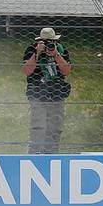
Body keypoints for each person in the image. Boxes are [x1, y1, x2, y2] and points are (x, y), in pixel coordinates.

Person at [21, 26, 73, 154]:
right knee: (38, 126)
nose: (48, 45)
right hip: (37, 93)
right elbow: (27, 71)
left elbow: (66, 71)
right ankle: (35, 153)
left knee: (55, 127)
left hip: (56, 93)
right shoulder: (31, 49)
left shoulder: (61, 50)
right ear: (39, 41)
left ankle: (51, 154)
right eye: (45, 42)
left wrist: (56, 55)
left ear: (56, 42)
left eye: (51, 42)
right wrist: (37, 54)